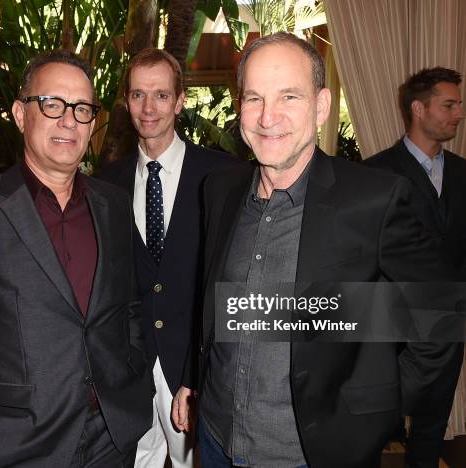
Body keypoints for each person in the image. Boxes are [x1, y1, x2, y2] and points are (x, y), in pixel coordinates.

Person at [171, 32, 453, 467]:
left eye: (288, 96)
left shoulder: (374, 199)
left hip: (311, 455)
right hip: (215, 440)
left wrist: (375, 410)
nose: (268, 117)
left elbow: (439, 318)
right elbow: (210, 295)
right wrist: (195, 378)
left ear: (322, 106)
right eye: (254, 98)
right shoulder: (220, 189)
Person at [0, 49, 153, 468]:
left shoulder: (113, 205)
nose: (69, 120)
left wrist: (132, 381)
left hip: (111, 439)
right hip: (18, 445)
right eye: (52, 104)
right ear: (19, 113)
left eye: (82, 108)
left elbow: (130, 306)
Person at [99, 48, 236, 468]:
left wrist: (199, 374)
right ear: (126, 102)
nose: (148, 107)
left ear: (179, 101)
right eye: (138, 95)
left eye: (160, 95)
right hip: (132, 371)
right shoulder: (105, 184)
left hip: (193, 372)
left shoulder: (225, 176)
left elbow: (229, 283)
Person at [366, 67, 465, 468]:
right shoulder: (374, 173)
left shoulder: (464, 173)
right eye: (449, 104)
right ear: (418, 109)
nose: (458, 112)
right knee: (373, 430)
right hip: (392, 329)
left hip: (449, 325)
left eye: (458, 104)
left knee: (430, 430)